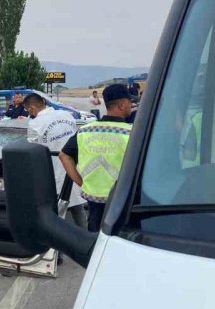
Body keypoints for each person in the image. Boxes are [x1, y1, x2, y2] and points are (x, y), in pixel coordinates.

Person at [59, 84, 134, 232]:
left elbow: (64, 155)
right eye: (130, 102)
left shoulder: (85, 130)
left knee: (95, 243)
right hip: (122, 202)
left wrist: (81, 182)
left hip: (93, 200)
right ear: (121, 104)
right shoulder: (132, 133)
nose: (132, 106)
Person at [24, 93, 86, 228]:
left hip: (52, 171)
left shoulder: (35, 124)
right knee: (77, 206)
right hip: (73, 166)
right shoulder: (66, 115)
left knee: (57, 212)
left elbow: (32, 151)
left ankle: (58, 242)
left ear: (32, 109)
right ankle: (88, 238)